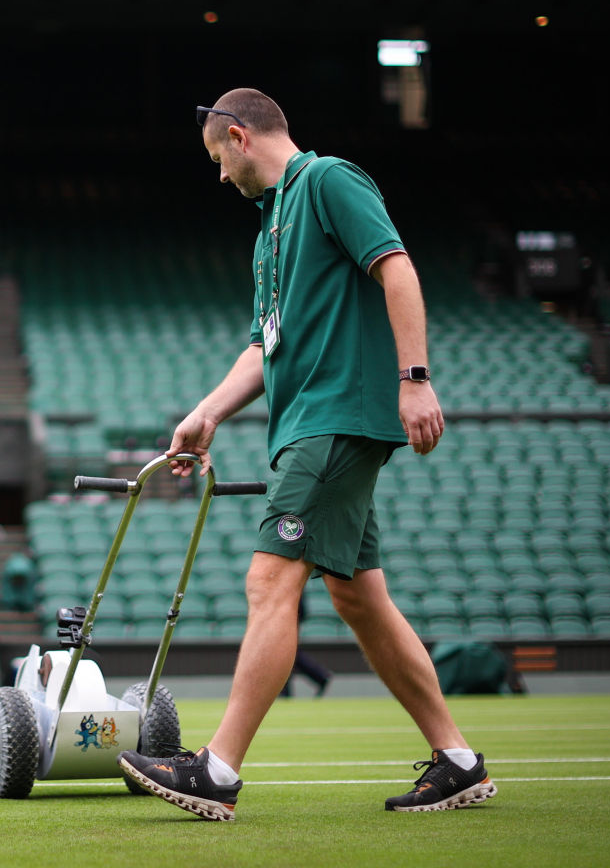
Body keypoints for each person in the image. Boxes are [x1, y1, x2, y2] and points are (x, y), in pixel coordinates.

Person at [119, 89, 493, 821]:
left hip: (336, 419)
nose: (220, 178)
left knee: (269, 582)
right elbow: (267, 345)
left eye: (218, 160)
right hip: (308, 425)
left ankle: (217, 772)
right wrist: (205, 414)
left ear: (239, 135)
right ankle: (457, 761)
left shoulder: (328, 181)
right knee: (358, 597)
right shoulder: (269, 233)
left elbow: (397, 268)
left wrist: (414, 379)